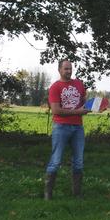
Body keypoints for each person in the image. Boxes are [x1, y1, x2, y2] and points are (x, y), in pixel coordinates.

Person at [44, 59, 89, 200]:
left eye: (70, 68)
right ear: (60, 70)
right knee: (56, 160)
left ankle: (77, 194)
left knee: (79, 161)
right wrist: (78, 112)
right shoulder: (55, 87)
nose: (69, 71)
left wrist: (96, 106)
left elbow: (83, 104)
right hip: (61, 127)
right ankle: (48, 194)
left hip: (77, 128)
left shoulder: (79, 84)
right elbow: (56, 110)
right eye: (66, 69)